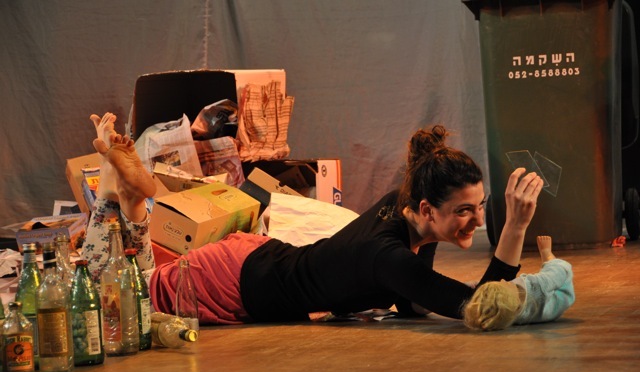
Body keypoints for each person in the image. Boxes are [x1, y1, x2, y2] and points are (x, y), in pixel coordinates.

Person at [84, 114, 544, 325]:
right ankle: (111, 190)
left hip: (252, 262)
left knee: (139, 284)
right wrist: (515, 228)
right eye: (464, 210)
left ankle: (129, 200)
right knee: (115, 305)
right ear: (427, 209)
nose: (477, 220)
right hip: (233, 281)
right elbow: (483, 309)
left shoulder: (402, 207)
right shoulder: (389, 256)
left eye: (480, 206)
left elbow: (412, 300)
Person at [463, 235, 575, 331]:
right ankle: (547, 254)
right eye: (504, 284)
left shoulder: (505, 315)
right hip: (561, 291)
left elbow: (490, 303)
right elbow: (561, 271)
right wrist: (546, 252)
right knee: (553, 269)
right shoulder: (537, 286)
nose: (502, 280)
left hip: (546, 309)